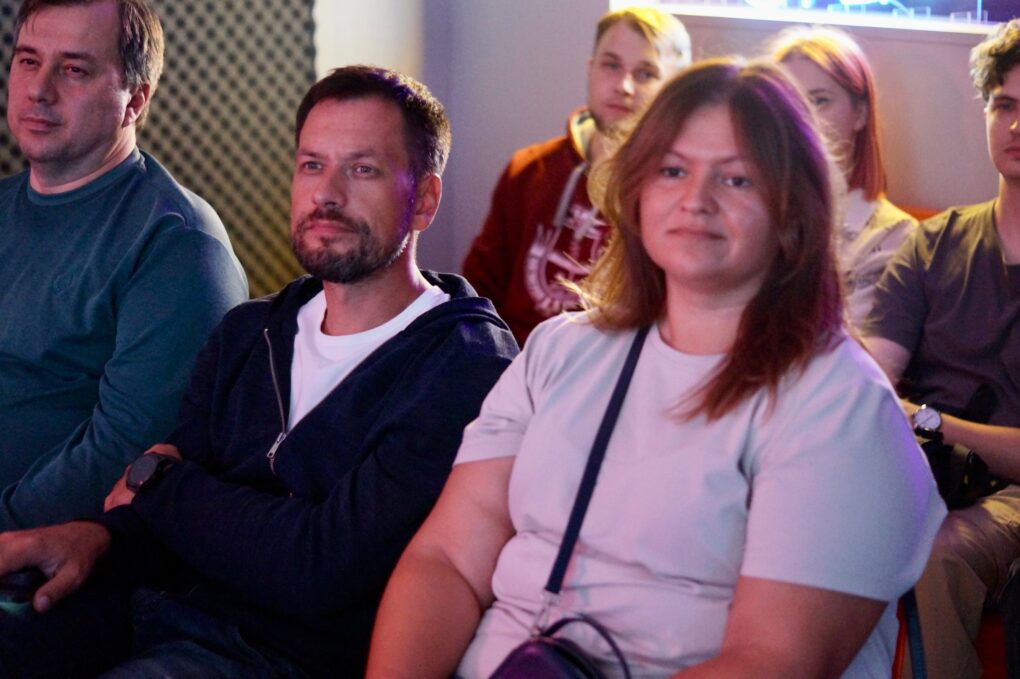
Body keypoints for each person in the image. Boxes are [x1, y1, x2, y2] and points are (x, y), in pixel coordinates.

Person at [367, 58, 945, 678]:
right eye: (672, 170)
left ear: (794, 212)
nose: (695, 200)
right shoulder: (559, 351)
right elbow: (447, 560)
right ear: (636, 193)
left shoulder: (842, 407)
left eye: (737, 179)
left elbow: (771, 660)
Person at [0, 65, 518, 677]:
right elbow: (158, 517)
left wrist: (164, 485)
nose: (327, 194)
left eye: (363, 169)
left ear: (424, 200)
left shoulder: (464, 366)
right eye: (312, 165)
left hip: (279, 657)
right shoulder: (249, 332)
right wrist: (97, 538)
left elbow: (320, 566)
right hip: (148, 612)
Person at [0, 0, 248, 530]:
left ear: (135, 100)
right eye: (28, 61)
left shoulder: (178, 245)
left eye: (74, 69)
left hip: (37, 549)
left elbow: (122, 453)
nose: (39, 89)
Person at [860, 18, 1020, 679]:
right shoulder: (933, 244)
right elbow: (872, 378)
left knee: (939, 552)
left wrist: (931, 420)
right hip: (922, 472)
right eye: (1004, 106)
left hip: (1004, 495)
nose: (1016, 125)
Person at [461, 6, 691, 345]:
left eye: (645, 73)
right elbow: (478, 294)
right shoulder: (530, 170)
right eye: (611, 65)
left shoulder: (678, 194)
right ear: (591, 69)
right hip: (512, 359)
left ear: (672, 91)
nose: (624, 86)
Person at [771, 26, 917, 329]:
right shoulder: (750, 210)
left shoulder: (893, 237)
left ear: (860, 114)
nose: (802, 118)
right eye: (788, 103)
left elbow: (854, 348)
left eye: (820, 101)